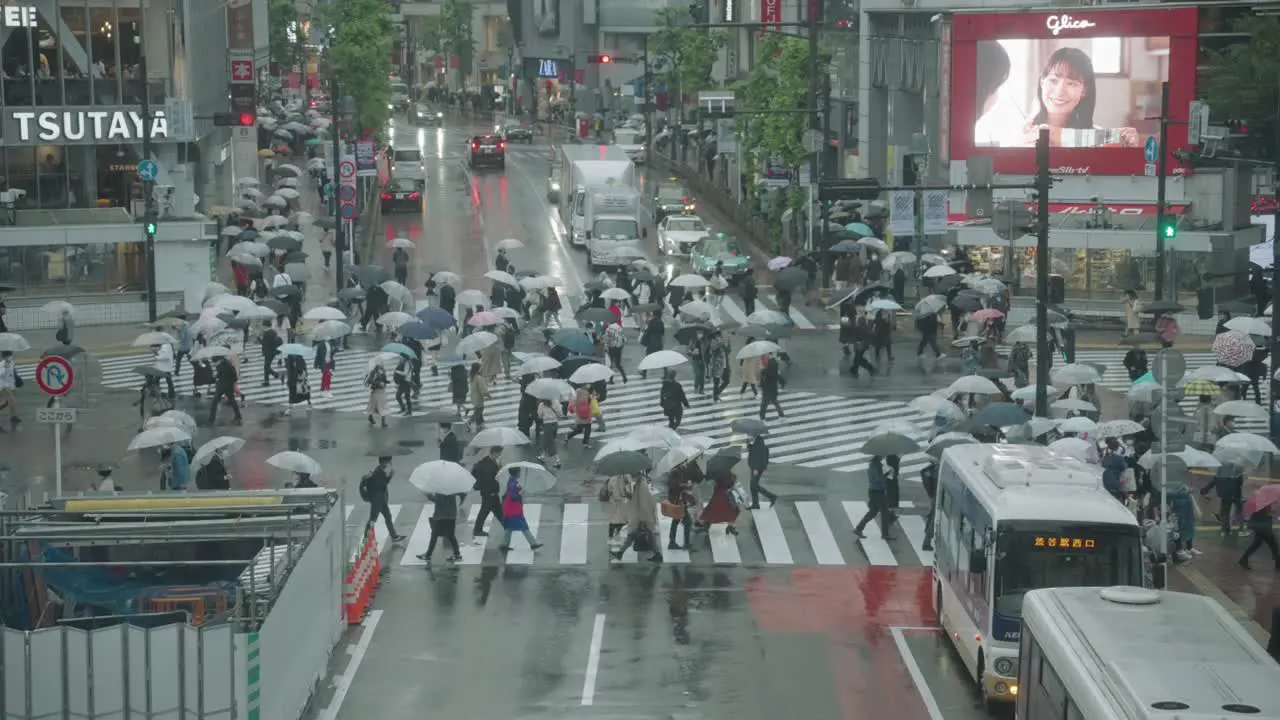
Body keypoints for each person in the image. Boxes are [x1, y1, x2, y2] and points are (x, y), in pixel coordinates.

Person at [611, 478, 662, 563]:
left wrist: (642, 520)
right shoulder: (639, 484)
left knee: (636, 536)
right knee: (638, 536)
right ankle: (620, 553)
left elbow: (644, 504)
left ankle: (620, 553)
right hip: (640, 517)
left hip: (642, 518)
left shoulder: (642, 486)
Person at [359, 456, 405, 541]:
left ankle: (394, 536)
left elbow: (382, 484)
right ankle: (366, 538)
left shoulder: (380, 471)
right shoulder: (377, 473)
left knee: (388, 516)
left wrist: (390, 476)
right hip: (377, 501)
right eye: (389, 462)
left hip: (381, 500)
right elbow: (380, 485)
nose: (390, 464)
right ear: (384, 462)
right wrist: (389, 476)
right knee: (372, 520)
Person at [853, 455, 898, 540]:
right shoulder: (877, 466)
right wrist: (887, 473)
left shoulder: (872, 465)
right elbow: (878, 479)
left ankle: (859, 528)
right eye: (882, 456)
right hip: (878, 492)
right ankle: (885, 534)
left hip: (873, 491)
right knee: (884, 513)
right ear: (878, 456)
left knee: (873, 512)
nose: (883, 457)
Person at [499, 470, 543, 552]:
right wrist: (520, 491)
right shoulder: (513, 483)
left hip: (511, 508)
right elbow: (513, 496)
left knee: (509, 527)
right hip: (514, 509)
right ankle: (533, 544)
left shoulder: (512, 481)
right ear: (517, 473)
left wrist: (519, 487)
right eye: (519, 472)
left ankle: (504, 544)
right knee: (523, 527)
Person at [417, 492, 463, 564]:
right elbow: (461, 493)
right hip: (451, 514)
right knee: (451, 535)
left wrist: (428, 495)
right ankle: (457, 554)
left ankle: (428, 555)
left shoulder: (441, 490)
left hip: (441, 515)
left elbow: (438, 501)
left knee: (434, 535)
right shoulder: (453, 488)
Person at [470, 446, 504, 535]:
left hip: (489, 492)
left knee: (497, 510)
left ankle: (506, 525)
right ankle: (477, 530)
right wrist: (498, 470)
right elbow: (490, 479)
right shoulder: (489, 465)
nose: (500, 455)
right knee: (486, 511)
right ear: (495, 453)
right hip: (489, 492)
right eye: (499, 453)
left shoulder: (488, 461)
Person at [1238, 505, 1278, 570]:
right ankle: (1278, 563)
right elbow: (1267, 514)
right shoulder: (1264, 503)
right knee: (1273, 545)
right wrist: (1272, 513)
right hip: (1264, 527)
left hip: (1259, 526)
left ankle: (1244, 559)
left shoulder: (1260, 502)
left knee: (1258, 543)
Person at [666, 469, 696, 550]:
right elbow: (676, 485)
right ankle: (683, 543)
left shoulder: (678, 472)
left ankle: (674, 542)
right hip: (677, 501)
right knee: (685, 521)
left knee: (679, 521)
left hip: (680, 500)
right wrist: (686, 486)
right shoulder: (674, 473)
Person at [208, 356, 242, 426]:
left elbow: (222, 374)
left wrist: (216, 377)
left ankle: (211, 418)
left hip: (223, 385)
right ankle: (238, 415)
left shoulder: (223, 365)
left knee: (215, 401)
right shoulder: (225, 363)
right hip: (227, 385)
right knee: (232, 400)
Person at [746, 435, 776, 508]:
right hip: (757, 468)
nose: (752, 438)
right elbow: (754, 452)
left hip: (756, 469)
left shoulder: (758, 447)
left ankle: (771, 496)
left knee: (753, 485)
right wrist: (749, 445)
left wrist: (756, 469)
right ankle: (755, 504)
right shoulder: (761, 447)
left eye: (753, 437)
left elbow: (758, 458)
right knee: (753, 486)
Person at [536, 399, 561, 467]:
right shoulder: (555, 402)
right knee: (546, 440)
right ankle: (543, 455)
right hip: (555, 424)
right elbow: (560, 413)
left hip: (547, 425)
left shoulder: (541, 404)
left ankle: (557, 460)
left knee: (550, 442)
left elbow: (540, 415)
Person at [759, 356, 784, 420]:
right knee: (775, 402)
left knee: (764, 404)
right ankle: (781, 415)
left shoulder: (765, 372)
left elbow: (762, 382)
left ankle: (762, 416)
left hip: (766, 391)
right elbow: (782, 380)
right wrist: (782, 385)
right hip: (773, 390)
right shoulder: (775, 373)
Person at [365, 361, 389, 428]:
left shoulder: (383, 371)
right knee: (374, 406)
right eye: (381, 364)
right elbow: (370, 381)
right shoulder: (373, 372)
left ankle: (382, 422)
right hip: (376, 391)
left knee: (382, 406)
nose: (382, 365)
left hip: (381, 391)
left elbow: (384, 380)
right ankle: (371, 417)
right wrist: (378, 383)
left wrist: (386, 382)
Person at [259, 321, 282, 386]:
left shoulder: (266, 333)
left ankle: (273, 376)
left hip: (268, 352)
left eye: (262, 325)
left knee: (266, 367)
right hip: (273, 351)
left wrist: (259, 338)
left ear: (265, 326)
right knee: (266, 366)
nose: (262, 327)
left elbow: (263, 343)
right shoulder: (273, 332)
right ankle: (268, 379)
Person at [0, 351, 19, 428]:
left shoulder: (12, 363)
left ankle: (13, 416)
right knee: (11, 401)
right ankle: (13, 416)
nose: (10, 357)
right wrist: (5, 367)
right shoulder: (2, 364)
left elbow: (13, 374)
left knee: (8, 402)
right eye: (9, 356)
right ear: (5, 357)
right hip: (3, 386)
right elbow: (1, 374)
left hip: (11, 385)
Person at [468, 363, 489, 427]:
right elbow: (483, 388)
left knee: (478, 409)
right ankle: (470, 421)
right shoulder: (478, 378)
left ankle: (480, 422)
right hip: (478, 397)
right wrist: (488, 395)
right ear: (478, 369)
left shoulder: (472, 376)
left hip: (474, 396)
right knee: (479, 410)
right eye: (480, 368)